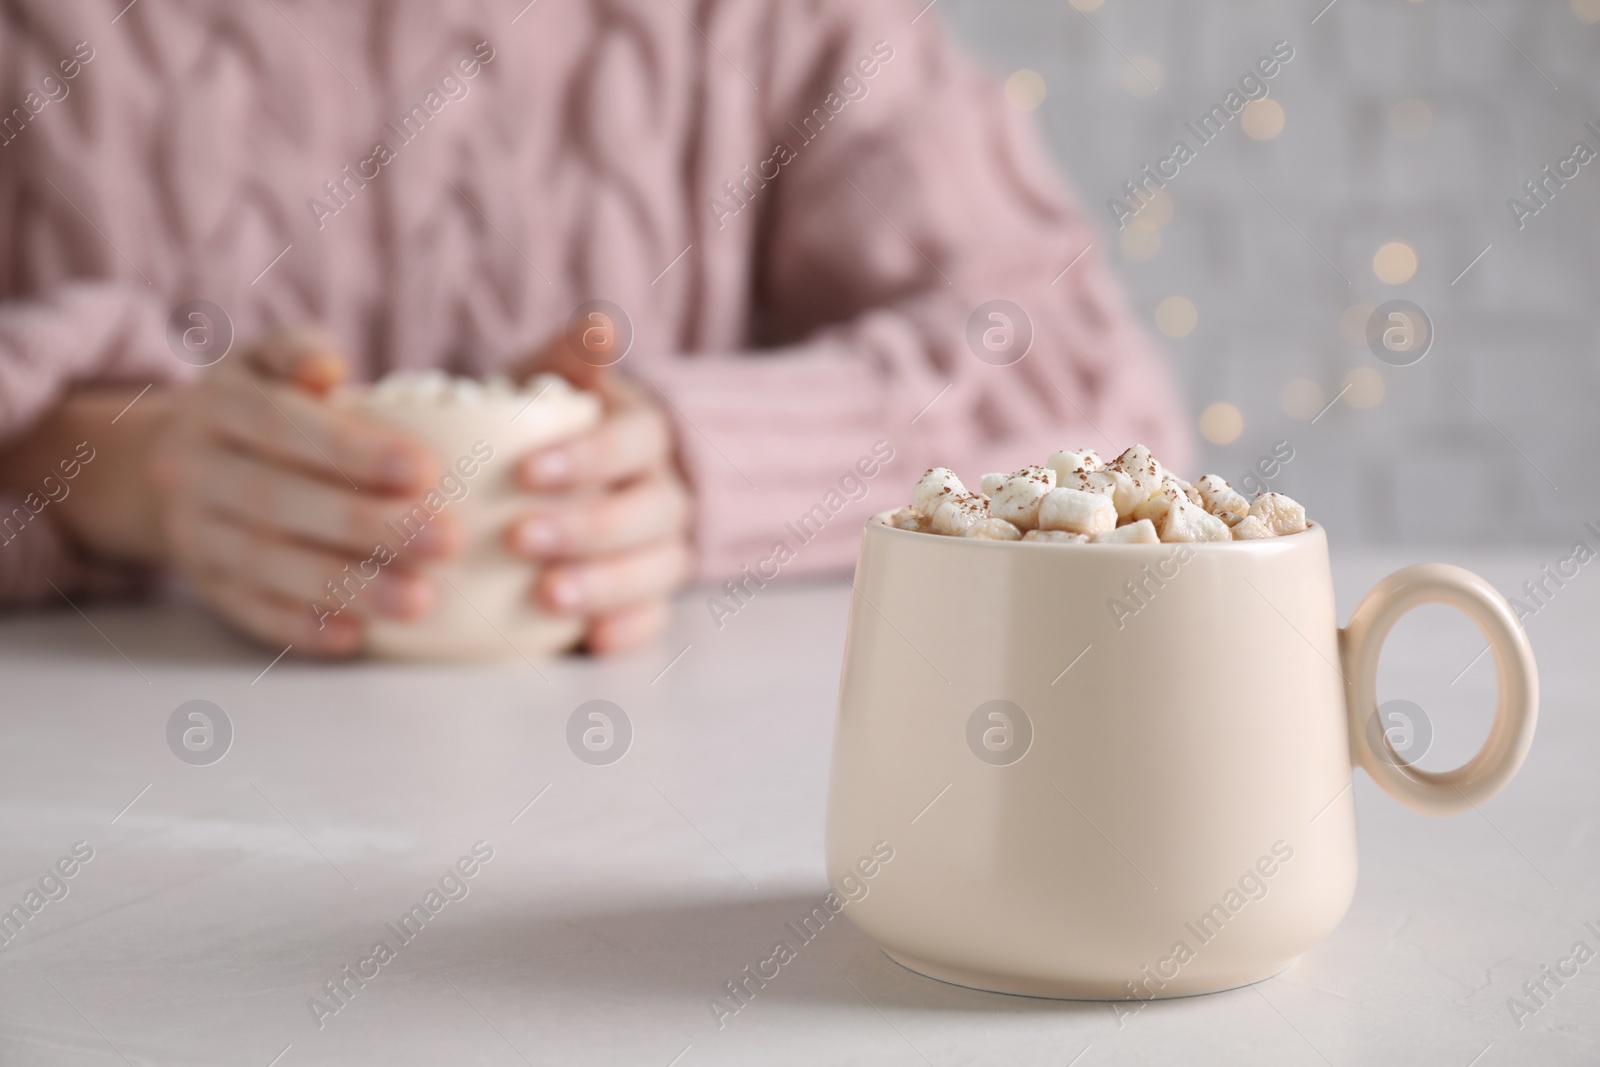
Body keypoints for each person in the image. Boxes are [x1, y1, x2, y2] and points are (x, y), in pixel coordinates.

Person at [0, 0, 1190, 655]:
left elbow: (1095, 390)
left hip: (650, 838)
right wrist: (111, 471)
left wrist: (696, 460)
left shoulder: (776, 25)